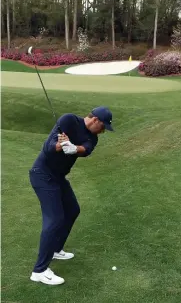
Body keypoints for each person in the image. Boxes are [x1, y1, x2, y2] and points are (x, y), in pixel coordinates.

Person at [29, 106, 113, 285]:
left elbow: (87, 149)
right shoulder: (68, 120)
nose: (103, 130)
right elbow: (48, 147)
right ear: (95, 120)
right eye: (103, 126)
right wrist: (60, 145)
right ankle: (39, 271)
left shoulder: (93, 137)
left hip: (58, 177)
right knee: (55, 219)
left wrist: (74, 148)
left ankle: (56, 249)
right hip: (42, 174)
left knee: (73, 209)